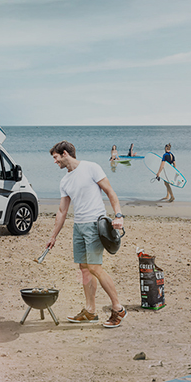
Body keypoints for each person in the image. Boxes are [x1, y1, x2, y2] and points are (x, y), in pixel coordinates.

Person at [41, 141, 128, 328]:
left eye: (56, 158)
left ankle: (118, 308)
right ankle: (90, 311)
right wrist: (53, 236)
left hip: (95, 225)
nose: (55, 162)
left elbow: (110, 191)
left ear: (64, 154)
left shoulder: (91, 168)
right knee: (84, 268)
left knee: (95, 268)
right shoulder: (64, 181)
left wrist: (118, 215)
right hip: (78, 227)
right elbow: (62, 211)